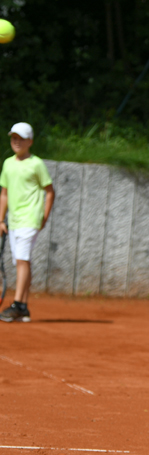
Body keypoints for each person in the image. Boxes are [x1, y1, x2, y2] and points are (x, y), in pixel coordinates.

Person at [0, 122, 55, 323]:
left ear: (30, 142)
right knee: (21, 261)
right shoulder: (8, 164)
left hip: (30, 219)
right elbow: (4, 194)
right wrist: (1, 219)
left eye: (21, 138)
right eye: (14, 138)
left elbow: (50, 192)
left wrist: (44, 217)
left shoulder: (36, 164)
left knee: (22, 260)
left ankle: (17, 305)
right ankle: (23, 306)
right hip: (13, 221)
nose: (17, 141)